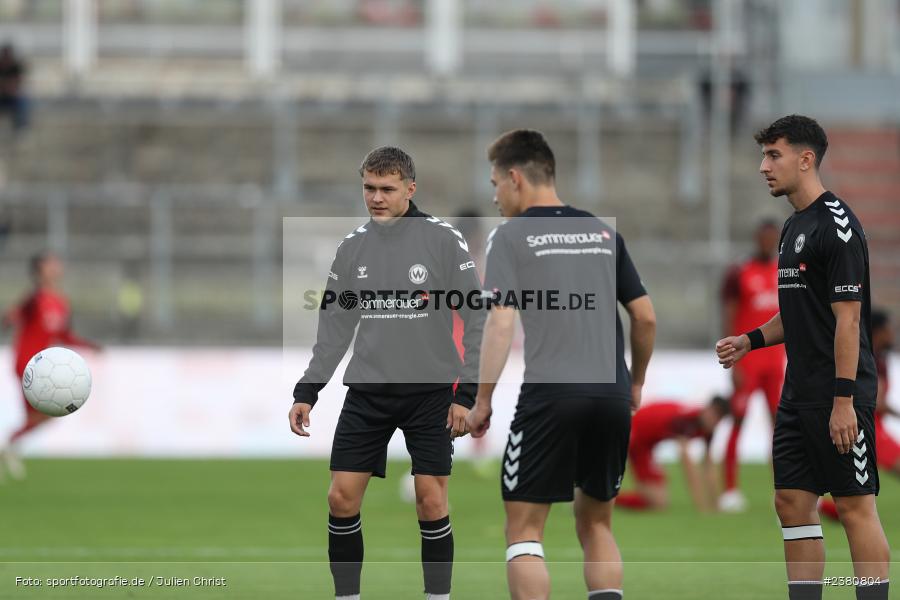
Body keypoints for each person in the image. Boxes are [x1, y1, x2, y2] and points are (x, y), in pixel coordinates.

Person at [466, 129, 656, 600]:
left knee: (525, 529)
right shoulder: (602, 232)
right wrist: (634, 384)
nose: (494, 196)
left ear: (515, 178)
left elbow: (501, 323)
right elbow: (646, 316)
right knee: (596, 524)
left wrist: (482, 399)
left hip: (551, 396)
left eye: (495, 183)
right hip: (610, 392)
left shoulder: (511, 237)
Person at [289, 146, 484, 600]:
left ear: (410, 190)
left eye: (386, 189)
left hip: (432, 394)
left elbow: (476, 317)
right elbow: (334, 328)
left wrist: (466, 393)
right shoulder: (352, 247)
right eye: (369, 189)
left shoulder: (442, 240)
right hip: (369, 392)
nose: (376, 198)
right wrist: (308, 390)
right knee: (340, 498)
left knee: (431, 502)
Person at [716, 115, 890, 600]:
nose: (763, 167)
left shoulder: (837, 228)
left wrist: (843, 401)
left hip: (839, 393)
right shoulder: (793, 226)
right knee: (791, 500)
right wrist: (750, 340)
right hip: (798, 393)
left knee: (855, 507)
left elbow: (849, 322)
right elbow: (798, 311)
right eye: (764, 155)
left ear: (805, 159)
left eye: (774, 155)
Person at [1, 252, 100, 480]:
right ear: (39, 270)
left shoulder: (61, 302)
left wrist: (89, 345)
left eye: (57, 262)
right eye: (50, 263)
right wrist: (8, 318)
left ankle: (9, 447)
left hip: (45, 368)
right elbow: (13, 315)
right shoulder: (34, 299)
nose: (56, 266)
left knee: (41, 416)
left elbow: (64, 335)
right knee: (48, 412)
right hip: (30, 366)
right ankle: (10, 445)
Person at [718, 219, 784, 512]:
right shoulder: (739, 272)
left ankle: (784, 490)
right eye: (765, 237)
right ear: (757, 238)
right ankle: (730, 490)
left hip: (775, 364)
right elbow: (728, 315)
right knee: (738, 420)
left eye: (773, 238)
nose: (768, 242)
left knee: (782, 428)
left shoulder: (785, 271)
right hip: (748, 363)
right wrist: (733, 361)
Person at [819, 309, 900, 521]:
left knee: (856, 489)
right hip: (868, 425)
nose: (892, 334)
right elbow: (877, 402)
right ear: (879, 331)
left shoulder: (878, 357)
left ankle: (820, 507)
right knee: (856, 492)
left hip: (873, 424)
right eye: (889, 329)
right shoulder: (867, 356)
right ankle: (818, 507)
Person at [617, 396, 729, 512]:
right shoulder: (687, 420)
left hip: (647, 444)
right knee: (655, 499)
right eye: (713, 413)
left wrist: (716, 504)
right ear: (707, 408)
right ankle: (606, 499)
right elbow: (688, 466)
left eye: (718, 418)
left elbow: (709, 466)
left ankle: (610, 499)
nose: (713, 419)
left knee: (659, 502)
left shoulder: (709, 429)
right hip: (634, 432)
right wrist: (701, 506)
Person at [0, 43, 29, 133]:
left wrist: (7, 85)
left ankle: (20, 128)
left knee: (22, 102)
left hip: (13, 97)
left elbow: (17, 84)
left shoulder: (16, 67)